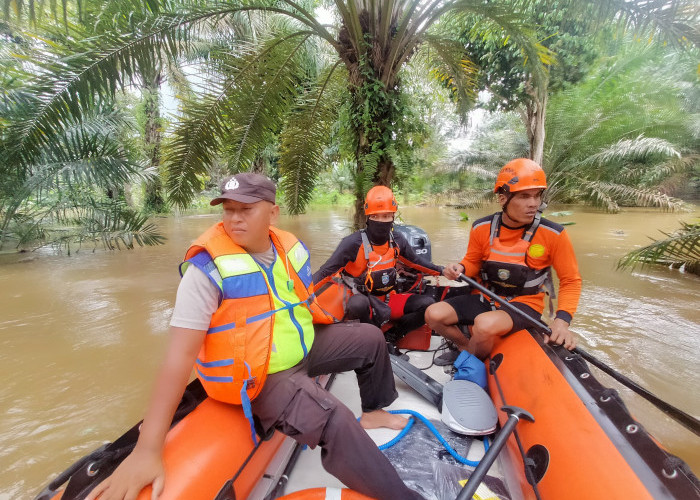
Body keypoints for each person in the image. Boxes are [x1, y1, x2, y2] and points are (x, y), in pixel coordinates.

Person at [86, 173, 422, 500]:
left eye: (246, 209)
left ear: (272, 212)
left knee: (369, 338)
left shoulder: (289, 248)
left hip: (298, 347)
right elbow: (178, 358)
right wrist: (148, 449)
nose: (235, 218)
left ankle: (375, 410)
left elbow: (300, 302)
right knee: (336, 420)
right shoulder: (208, 269)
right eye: (228, 209)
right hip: (259, 374)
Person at [426, 158, 582, 360]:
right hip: (486, 297)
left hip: (525, 304)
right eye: (525, 196)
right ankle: (465, 349)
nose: (533, 203)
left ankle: (469, 361)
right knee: (433, 314)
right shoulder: (481, 228)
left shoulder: (554, 234)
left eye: (537, 196)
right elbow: (472, 262)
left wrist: (562, 321)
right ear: (503, 198)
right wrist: (460, 268)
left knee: (484, 324)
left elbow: (571, 281)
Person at [313, 185, 445, 344]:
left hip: (388, 299)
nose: (381, 221)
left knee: (427, 304)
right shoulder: (352, 243)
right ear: (368, 217)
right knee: (357, 304)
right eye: (376, 216)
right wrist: (298, 294)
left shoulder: (397, 240)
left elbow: (416, 262)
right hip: (360, 301)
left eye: (386, 216)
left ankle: (392, 336)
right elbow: (325, 272)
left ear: (393, 216)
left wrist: (442, 271)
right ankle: (374, 340)